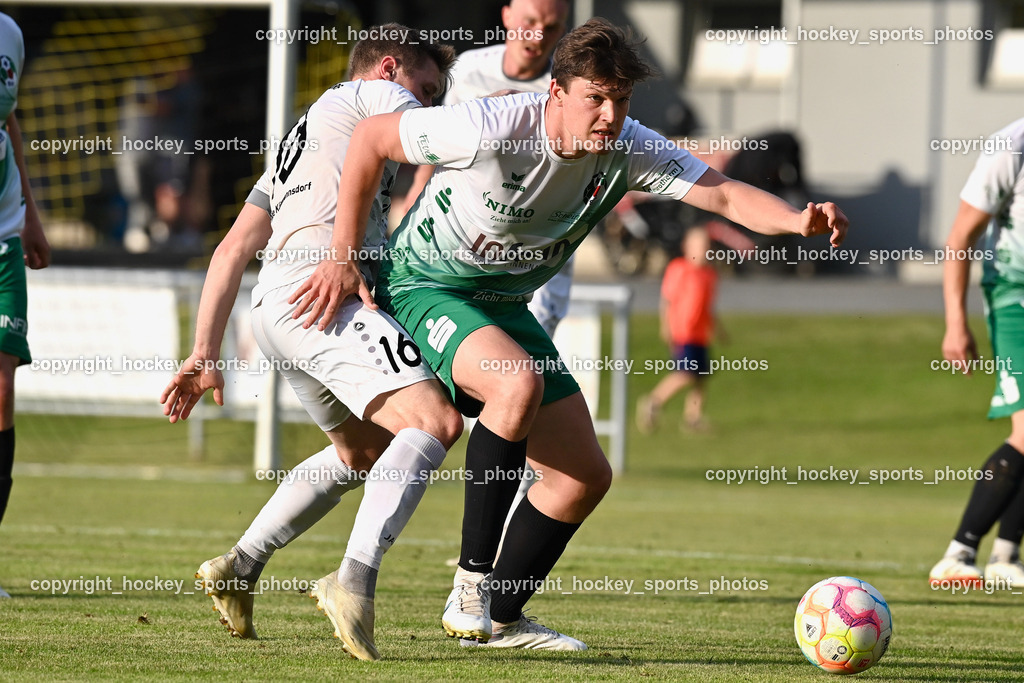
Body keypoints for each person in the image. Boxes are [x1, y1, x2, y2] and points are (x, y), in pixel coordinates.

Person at [291, 18, 848, 650]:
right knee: (513, 385)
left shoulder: (628, 146)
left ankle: (498, 618)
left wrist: (796, 219)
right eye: (596, 97)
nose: (610, 115)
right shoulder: (493, 125)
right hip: (425, 285)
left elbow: (720, 197)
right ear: (556, 92)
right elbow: (370, 138)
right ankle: (471, 587)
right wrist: (342, 253)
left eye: (621, 99)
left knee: (582, 476)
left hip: (501, 304)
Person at [159, 26, 459, 660]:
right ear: (387, 69)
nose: (427, 105)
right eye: (426, 89)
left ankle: (239, 566)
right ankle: (353, 581)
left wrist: (203, 353)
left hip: (277, 306)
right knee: (435, 420)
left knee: (363, 452)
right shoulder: (378, 100)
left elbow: (233, 248)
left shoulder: (306, 134)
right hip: (324, 294)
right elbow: (447, 140)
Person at [402, 0, 571, 335]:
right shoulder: (467, 70)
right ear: (506, 16)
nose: (537, 34)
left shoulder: (567, 90)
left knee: (524, 363)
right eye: (530, 21)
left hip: (540, 248)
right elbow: (436, 149)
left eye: (550, 27)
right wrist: (412, 205)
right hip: (462, 239)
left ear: (562, 30)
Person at [928, 115, 1024, 589]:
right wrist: (955, 322)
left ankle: (1006, 556)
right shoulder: (1010, 148)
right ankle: (958, 552)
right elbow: (960, 238)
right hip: (1015, 296)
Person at [0, 11, 52, 599]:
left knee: (3, 387)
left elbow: (9, 117)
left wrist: (31, 213)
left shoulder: (11, 31)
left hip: (4, 235)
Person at [636, 226, 718, 433]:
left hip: (701, 334)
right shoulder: (679, 268)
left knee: (701, 376)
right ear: (687, 246)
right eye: (699, 245)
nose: (704, 249)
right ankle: (653, 401)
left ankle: (693, 417)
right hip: (683, 332)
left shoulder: (709, 274)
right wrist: (666, 326)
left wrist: (718, 329)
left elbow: (708, 307)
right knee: (686, 373)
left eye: (707, 245)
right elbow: (667, 300)